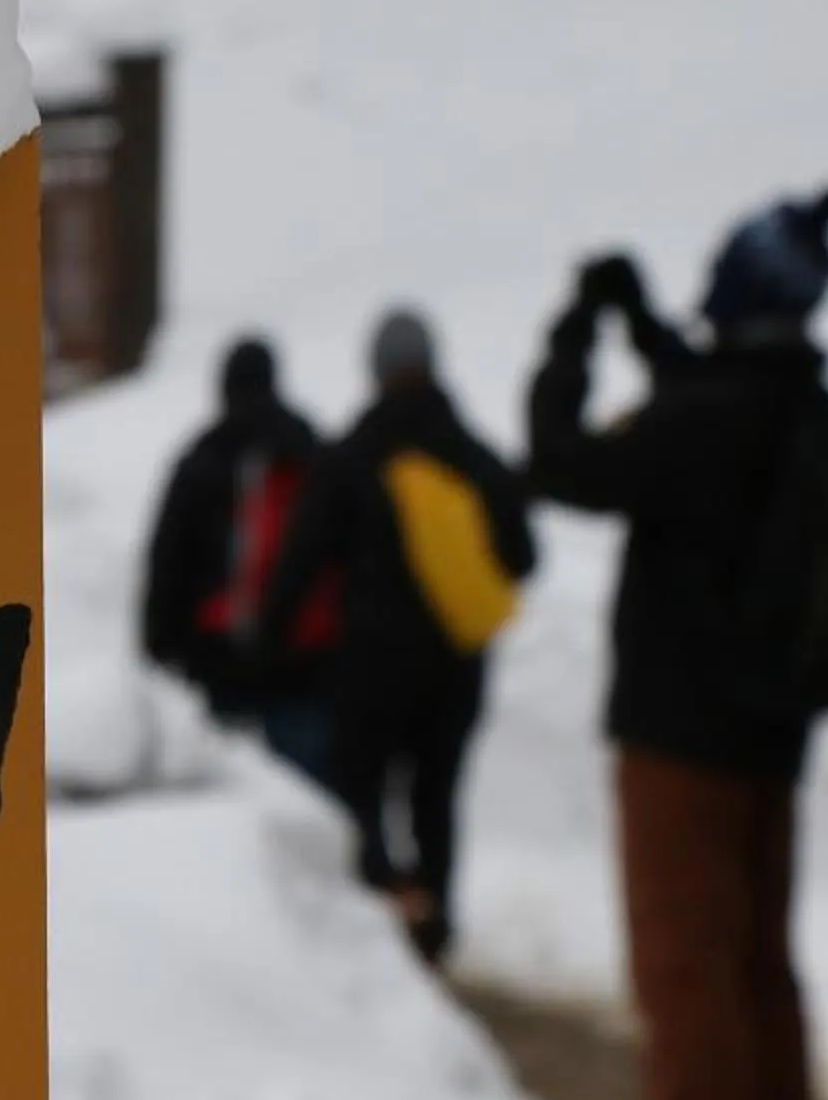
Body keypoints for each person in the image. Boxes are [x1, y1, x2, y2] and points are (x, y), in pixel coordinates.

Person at [526, 193, 828, 1100]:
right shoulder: (806, 410)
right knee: (758, 969)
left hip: (678, 737)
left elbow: (560, 462)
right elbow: (705, 396)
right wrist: (648, 331)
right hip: (767, 738)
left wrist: (576, 333)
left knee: (687, 971)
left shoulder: (698, 420)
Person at [262, 309, 533, 963]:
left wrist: (268, 645)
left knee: (365, 792)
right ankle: (435, 924)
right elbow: (522, 554)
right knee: (435, 797)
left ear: (376, 370)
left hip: (371, 666)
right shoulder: (471, 454)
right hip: (457, 667)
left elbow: (301, 557)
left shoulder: (355, 453)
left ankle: (383, 916)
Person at [140, 337, 341, 782]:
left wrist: (158, 645)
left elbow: (170, 562)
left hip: (221, 663)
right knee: (310, 815)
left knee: (235, 811)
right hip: (305, 665)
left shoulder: (204, 457)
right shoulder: (311, 451)